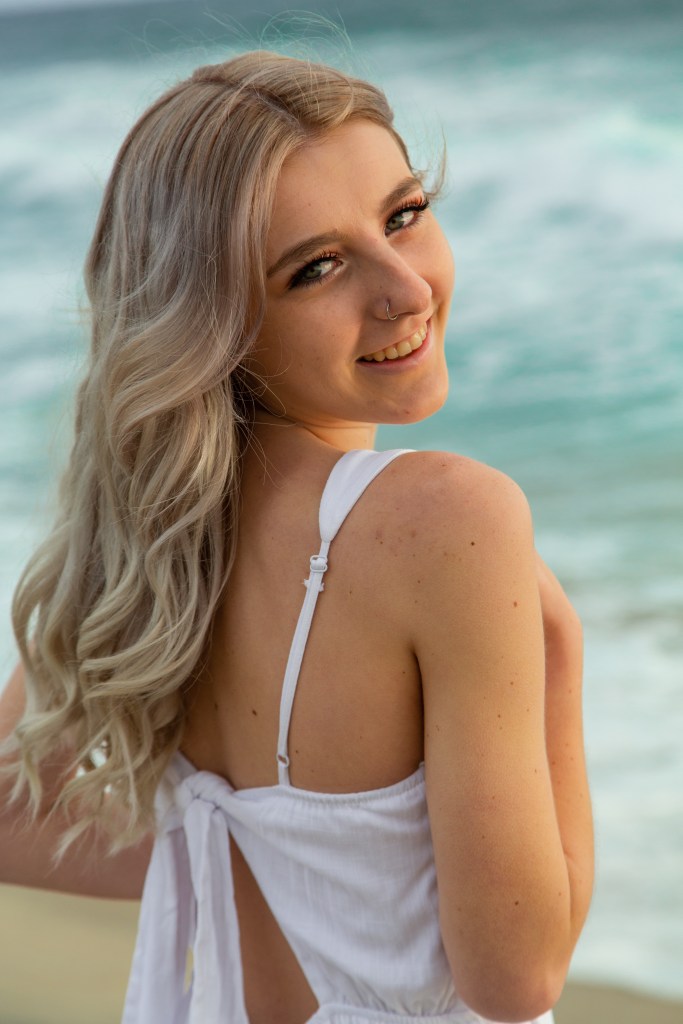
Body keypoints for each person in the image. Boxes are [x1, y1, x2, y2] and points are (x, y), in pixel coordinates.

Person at [0, 51, 593, 1024]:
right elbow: (514, 979)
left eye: (403, 214)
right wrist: (558, 655)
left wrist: (245, 852)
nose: (405, 288)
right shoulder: (446, 517)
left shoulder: (150, 543)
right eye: (315, 268)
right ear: (213, 320)